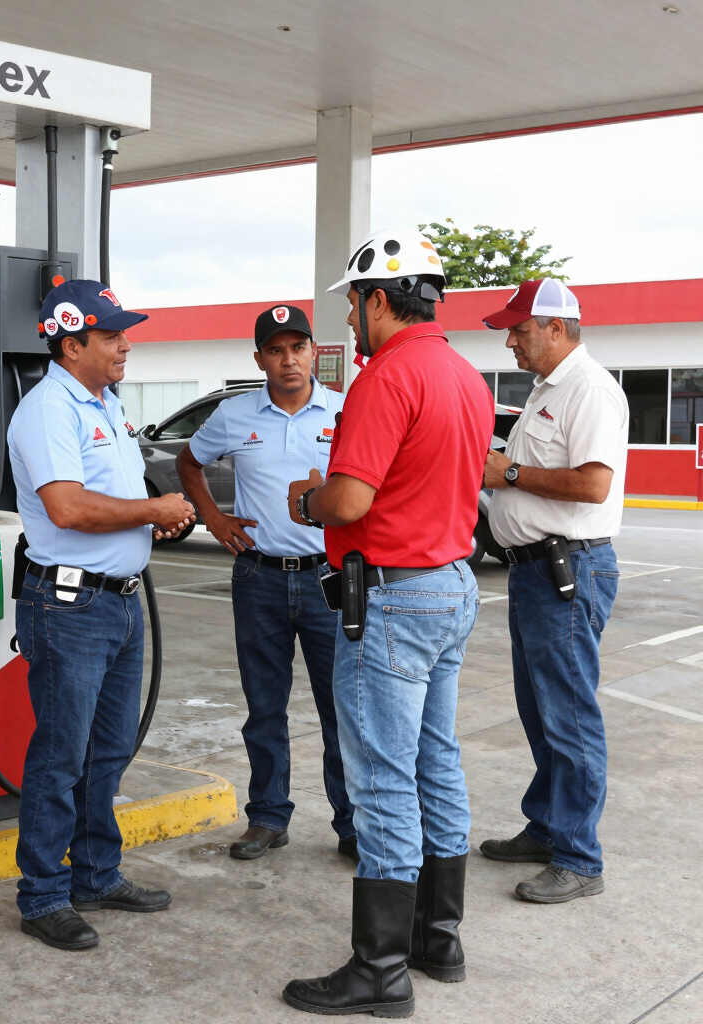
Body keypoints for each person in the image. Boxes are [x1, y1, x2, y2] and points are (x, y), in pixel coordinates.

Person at [281, 229, 494, 1017]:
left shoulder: (386, 377)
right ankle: (439, 939)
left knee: (380, 776)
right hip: (450, 584)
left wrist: (307, 498)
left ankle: (380, 968)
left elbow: (350, 501)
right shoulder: (466, 376)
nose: (350, 324)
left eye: (353, 306)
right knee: (436, 761)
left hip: (396, 598)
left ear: (379, 300)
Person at [8, 279, 195, 952]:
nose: (124, 346)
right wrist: (154, 510)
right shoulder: (47, 410)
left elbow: (107, 496)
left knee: (108, 749)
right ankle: (42, 894)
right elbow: (68, 508)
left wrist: (150, 525)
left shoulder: (104, 404)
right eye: (111, 335)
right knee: (61, 755)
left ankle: (94, 873)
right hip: (69, 606)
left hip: (117, 602)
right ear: (71, 342)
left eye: (123, 333)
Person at [175, 304, 355, 862]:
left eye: (297, 348)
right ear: (259, 359)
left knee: (342, 709)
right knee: (265, 705)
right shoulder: (234, 414)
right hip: (260, 577)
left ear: (313, 353)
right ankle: (269, 816)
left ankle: (352, 824)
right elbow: (188, 461)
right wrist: (214, 518)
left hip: (329, 580)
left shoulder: (345, 411)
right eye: (275, 351)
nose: (288, 360)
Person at [479, 279, 628, 903]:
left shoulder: (589, 389)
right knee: (541, 711)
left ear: (556, 328)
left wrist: (506, 471)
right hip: (534, 572)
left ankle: (579, 859)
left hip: (566, 572)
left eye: (519, 329)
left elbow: (593, 485)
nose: (510, 339)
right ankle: (548, 826)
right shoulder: (548, 390)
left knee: (568, 717)